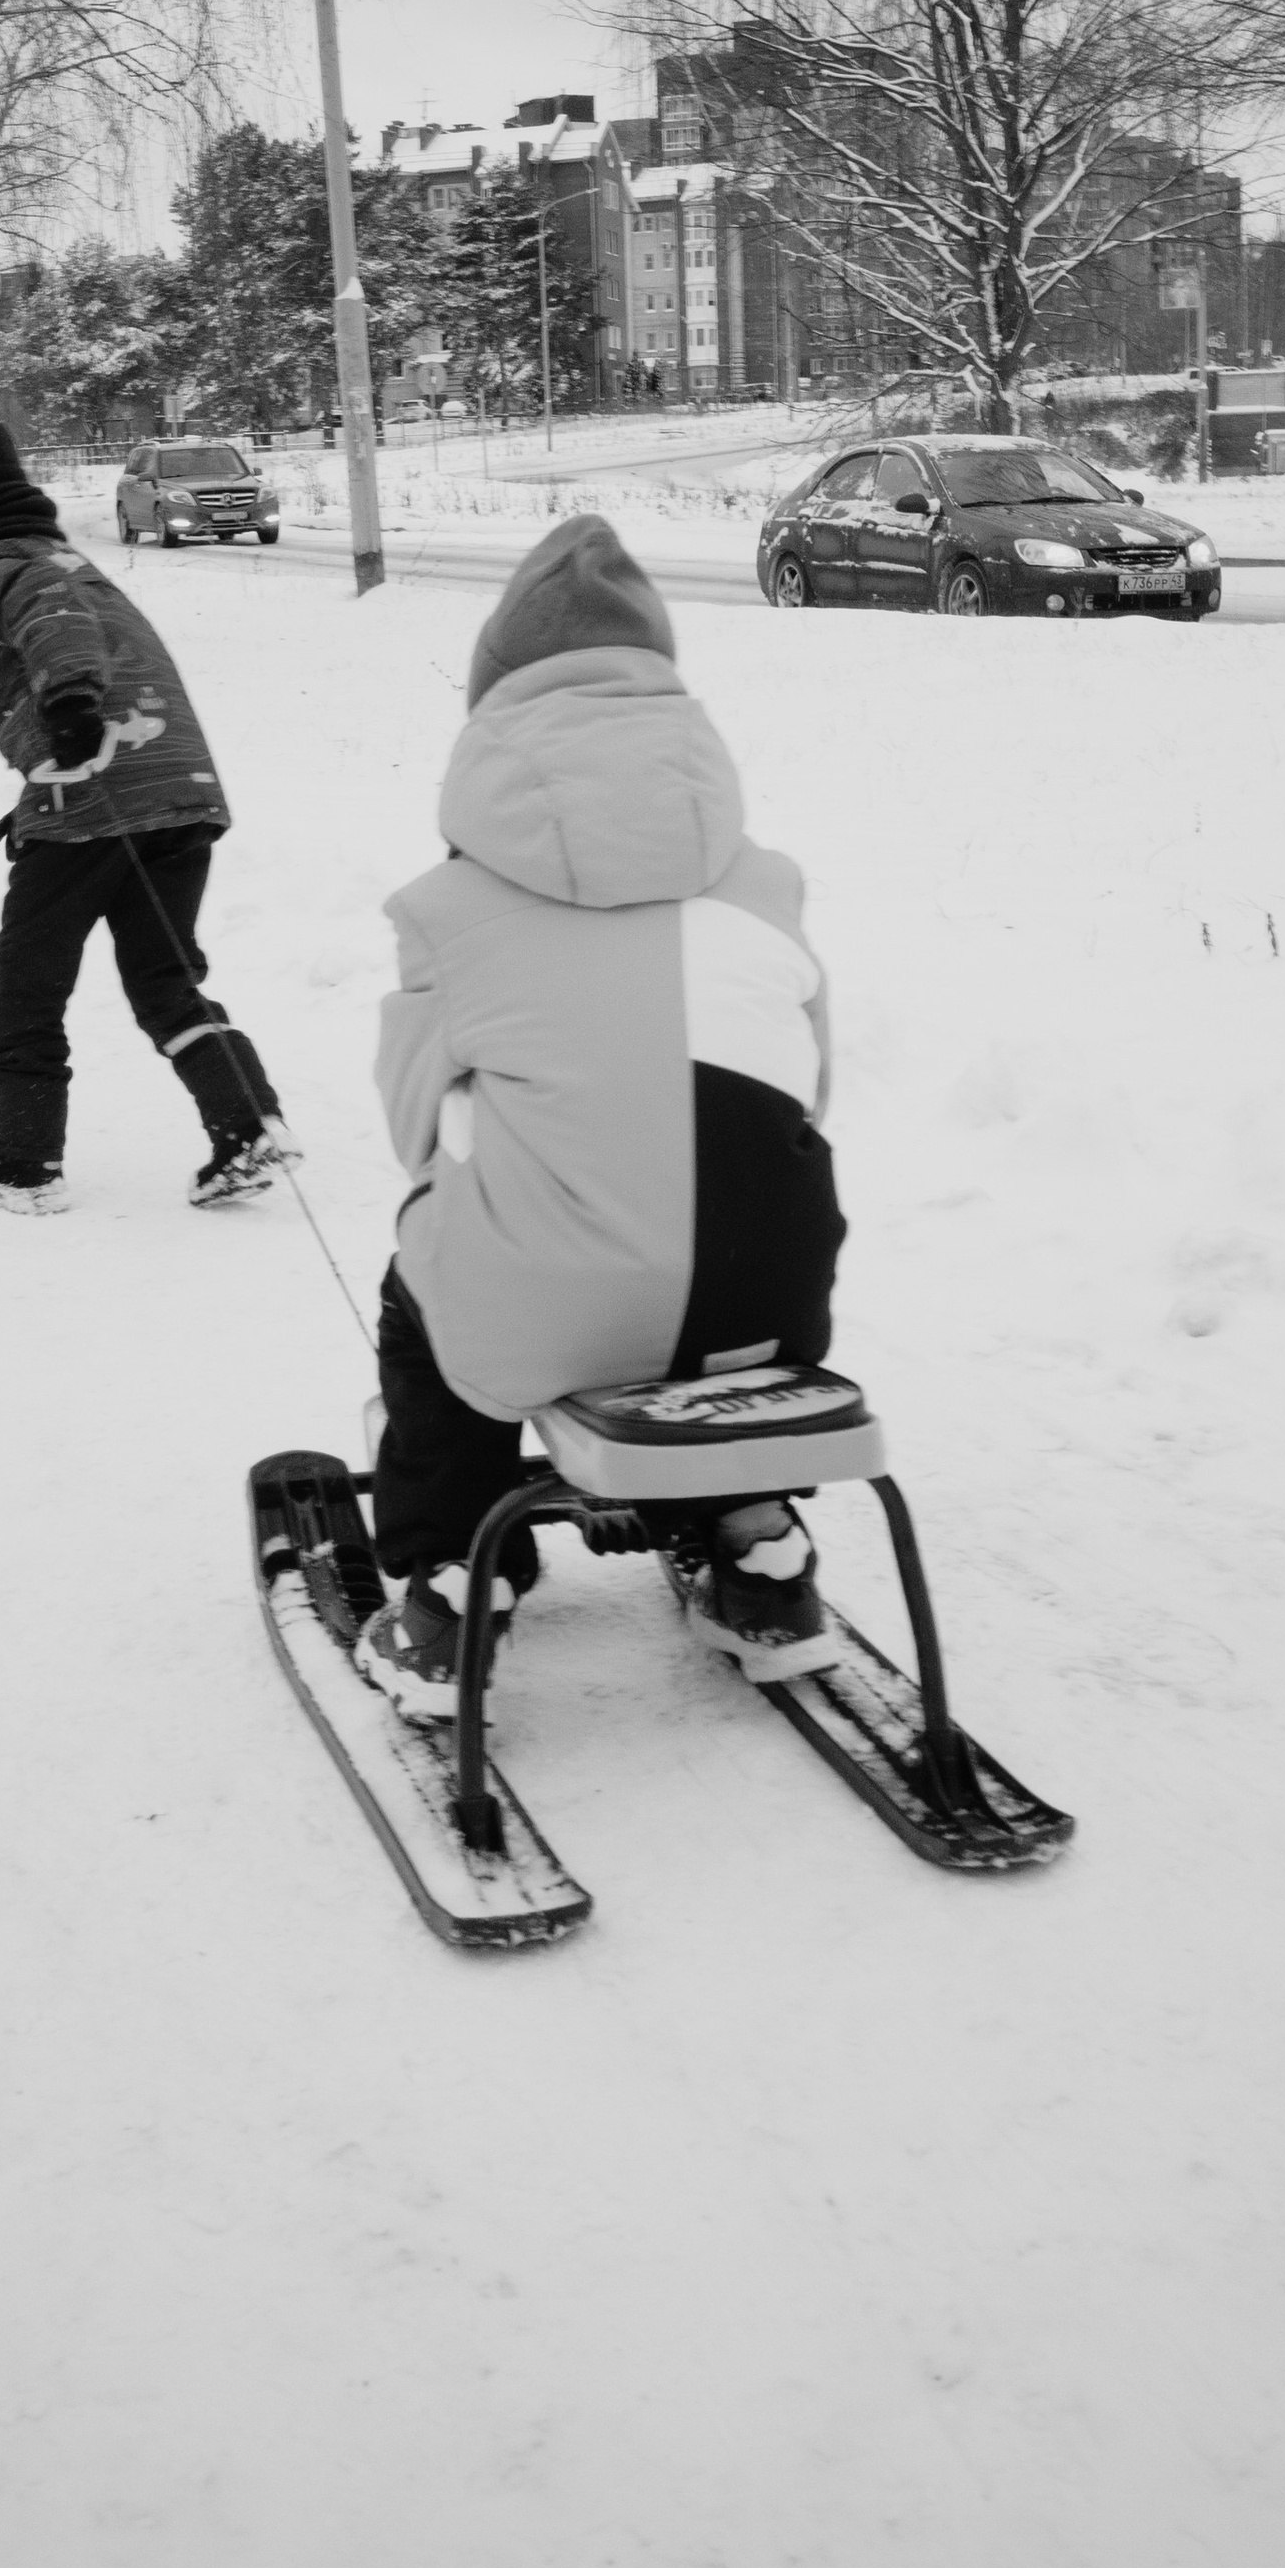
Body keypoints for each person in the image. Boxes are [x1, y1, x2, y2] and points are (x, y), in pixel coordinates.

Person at [357, 512, 847, 1722]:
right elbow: (808, 1090)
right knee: (703, 1253)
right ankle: (754, 1546)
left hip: (548, 1315)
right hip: (772, 1308)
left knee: (432, 1281)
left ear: (491, 715)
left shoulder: (446, 911)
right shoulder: (765, 886)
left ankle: (451, 1580)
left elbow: (416, 1134)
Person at [0, 371, 290, 1213]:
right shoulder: (64, 559)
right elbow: (72, 626)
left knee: (29, 981)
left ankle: (23, 1161)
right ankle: (247, 1124)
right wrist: (51, 763)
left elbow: (54, 623)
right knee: (163, 979)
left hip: (95, 797)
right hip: (177, 791)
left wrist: (72, 706)